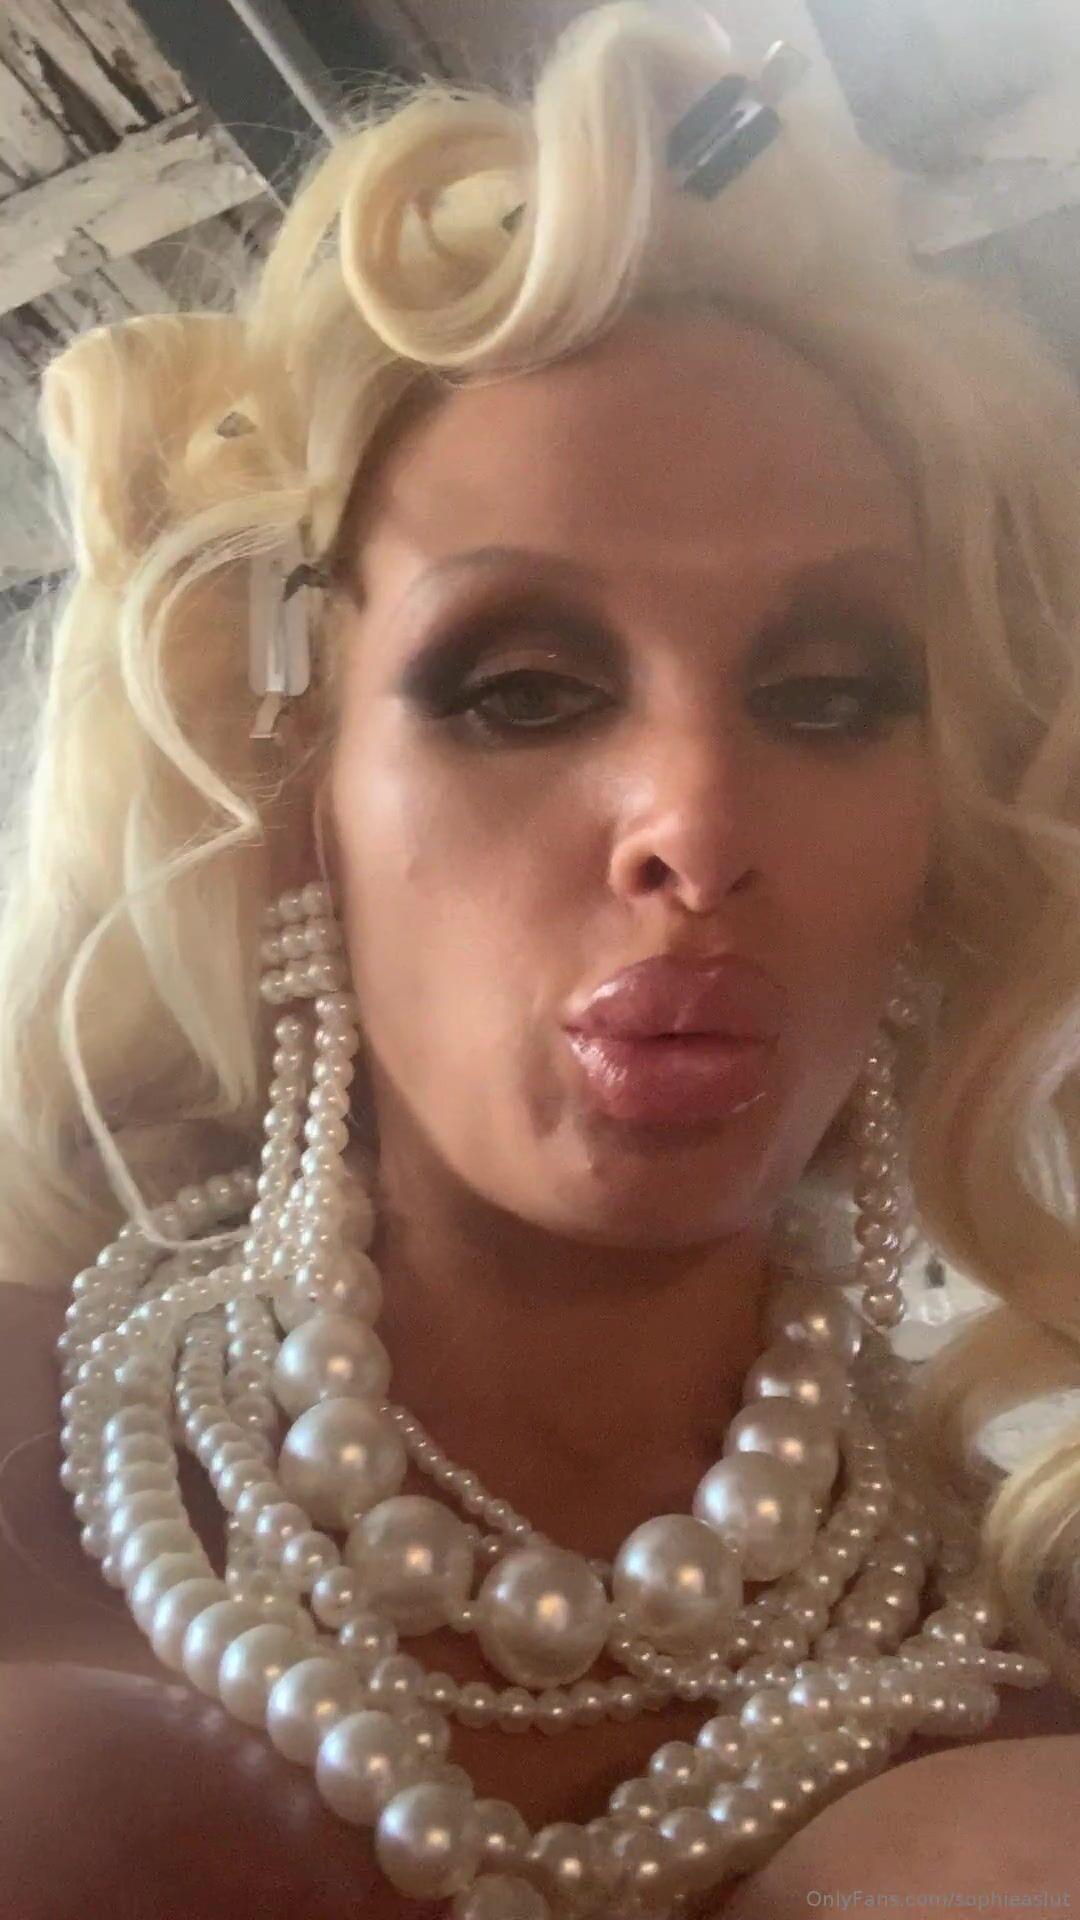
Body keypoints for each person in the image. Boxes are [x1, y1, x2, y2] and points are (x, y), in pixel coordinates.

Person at [1, 4, 1080, 1914]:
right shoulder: (40, 1448)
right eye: (520, 687)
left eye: (831, 696)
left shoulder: (1025, 1638)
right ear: (301, 790)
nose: (696, 826)